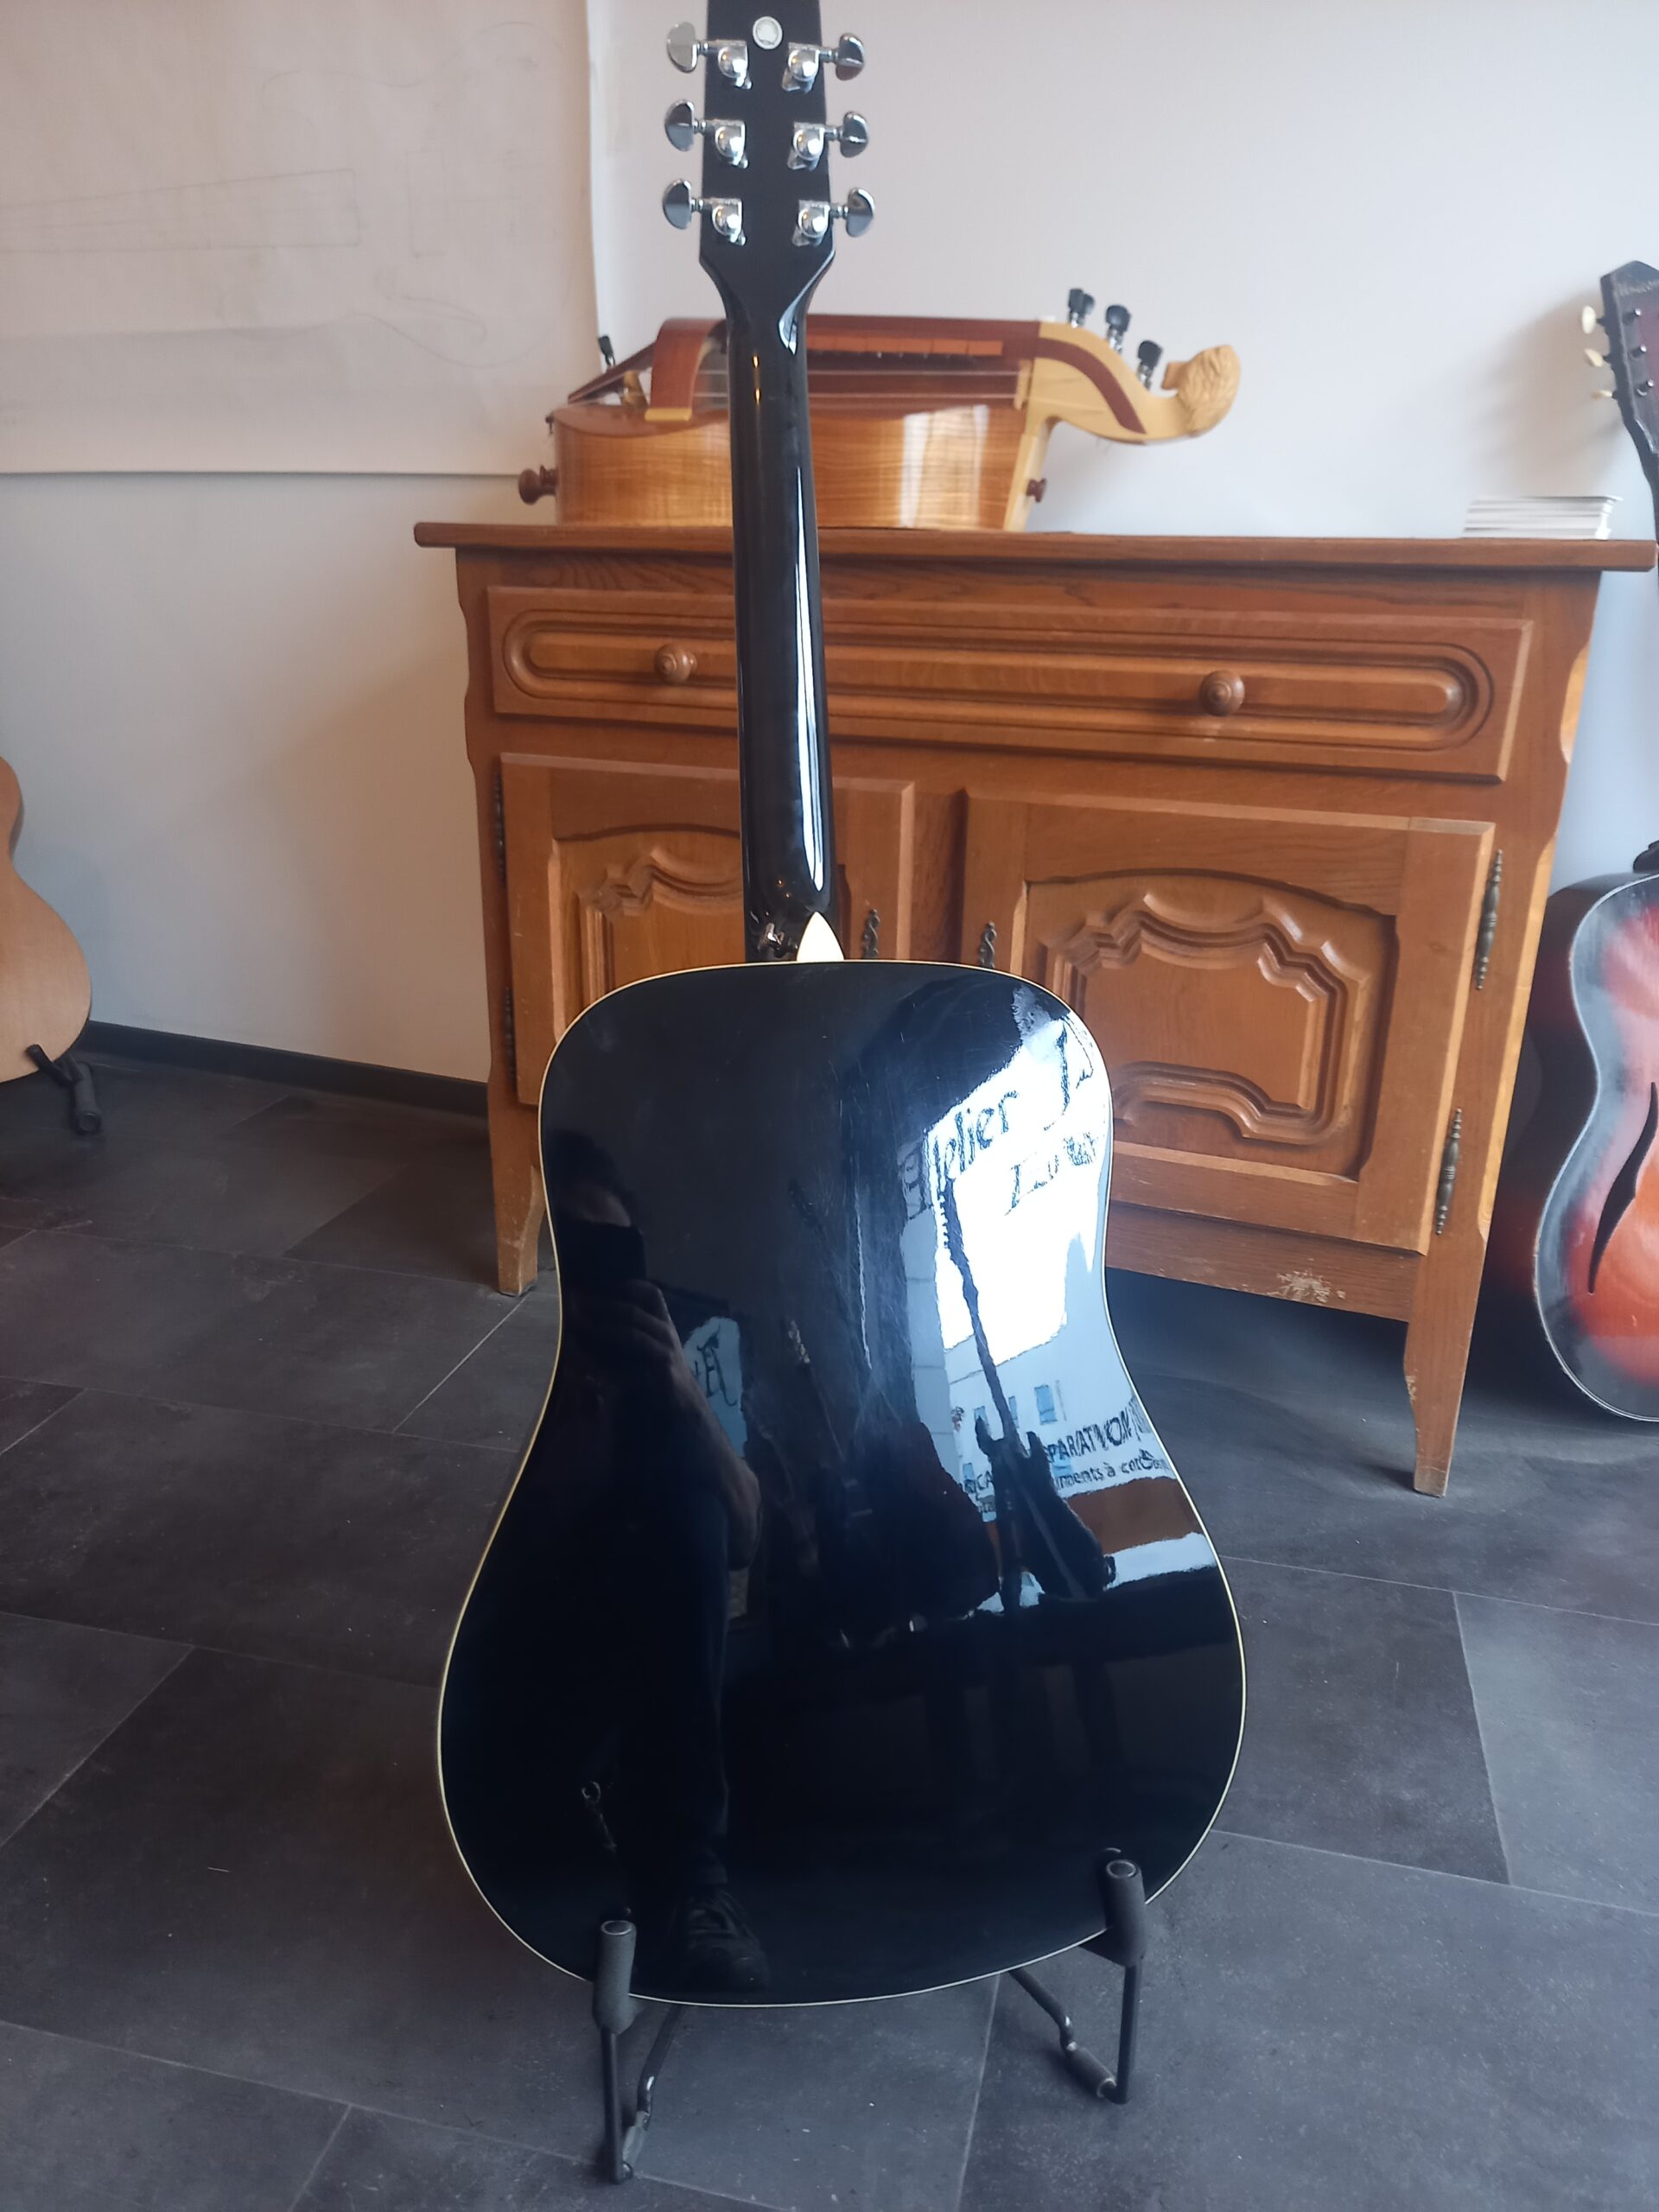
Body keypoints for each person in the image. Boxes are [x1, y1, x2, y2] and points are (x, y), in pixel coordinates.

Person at [542, 1130, 768, 1994]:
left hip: (647, 1639)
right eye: (575, 1252)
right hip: (530, 1640)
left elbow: (746, 1532)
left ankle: (691, 1883)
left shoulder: (674, 1371)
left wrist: (681, 1393)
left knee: (687, 1487)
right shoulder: (522, 1358)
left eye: (613, 1254)